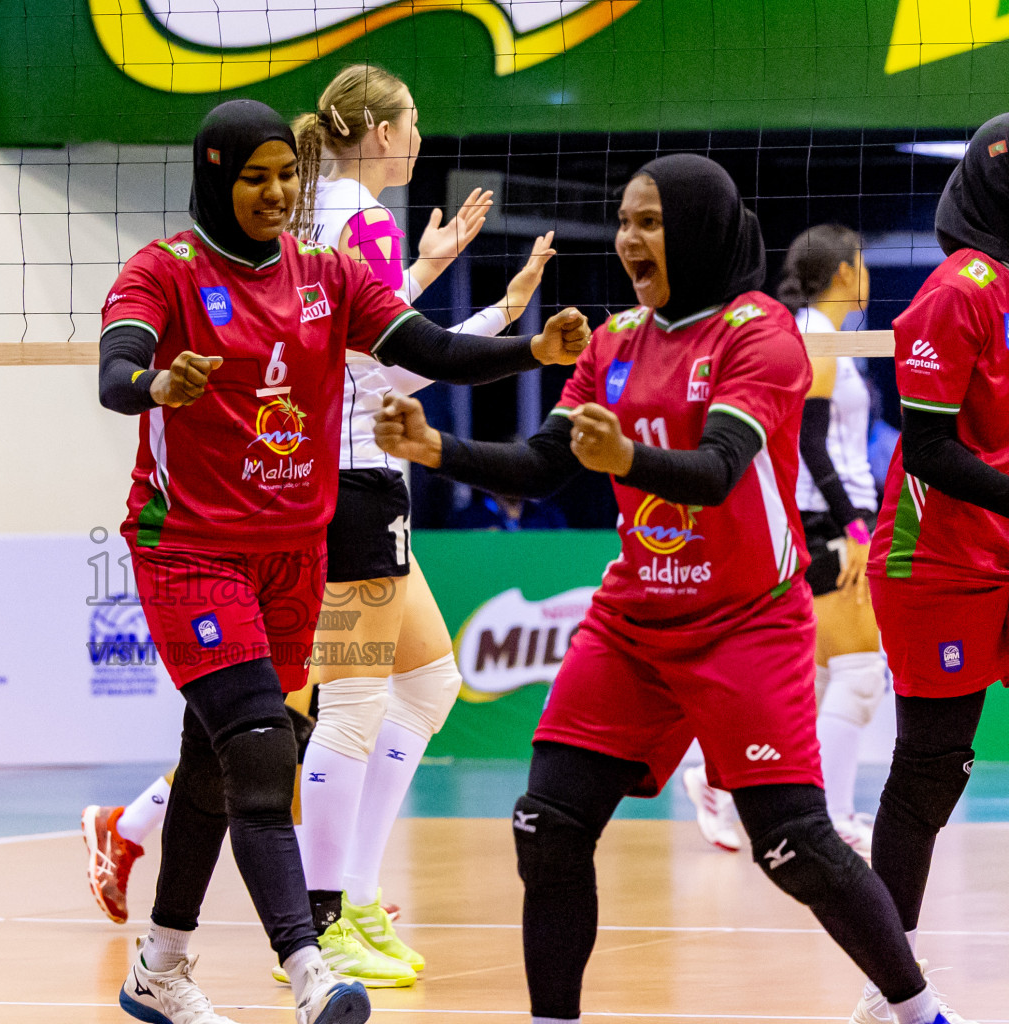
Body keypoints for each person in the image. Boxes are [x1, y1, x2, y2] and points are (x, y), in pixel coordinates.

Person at [374, 153, 965, 1024]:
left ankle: (919, 1011)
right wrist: (437, 451)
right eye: (622, 222)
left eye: (647, 222)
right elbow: (543, 462)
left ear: (696, 228)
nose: (626, 239)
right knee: (547, 824)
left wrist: (626, 459)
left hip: (745, 622)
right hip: (633, 624)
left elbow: (719, 468)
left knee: (795, 844)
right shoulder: (614, 339)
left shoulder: (759, 332)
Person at [98, 97, 588, 1024]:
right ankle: (310, 962)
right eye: (255, 178)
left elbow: (431, 351)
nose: (278, 192)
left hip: (293, 549)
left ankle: (161, 965)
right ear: (214, 177)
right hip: (191, 550)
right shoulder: (164, 271)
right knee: (260, 743)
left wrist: (530, 347)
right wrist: (154, 382)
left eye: (287, 173)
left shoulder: (326, 271)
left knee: (213, 764)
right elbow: (114, 368)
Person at [282, 63, 554, 986]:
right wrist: (509, 331)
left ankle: (353, 896)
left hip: (340, 473)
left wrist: (467, 295)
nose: (420, 137)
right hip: (353, 479)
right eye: (413, 120)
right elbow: (394, 373)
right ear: (379, 130)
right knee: (350, 707)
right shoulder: (359, 217)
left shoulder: (313, 212)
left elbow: (375, 350)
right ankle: (314, 928)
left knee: (430, 682)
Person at [849, 114, 1009, 1024]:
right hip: (937, 562)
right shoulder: (957, 291)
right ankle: (888, 980)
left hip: (1004, 547)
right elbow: (929, 450)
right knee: (931, 768)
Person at [683, 224, 884, 857]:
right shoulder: (816, 338)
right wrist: (856, 527)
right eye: (865, 265)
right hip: (830, 518)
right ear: (847, 273)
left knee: (818, 678)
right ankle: (833, 814)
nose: (871, 276)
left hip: (825, 513)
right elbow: (812, 443)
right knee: (856, 676)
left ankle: (716, 780)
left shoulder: (822, 334)